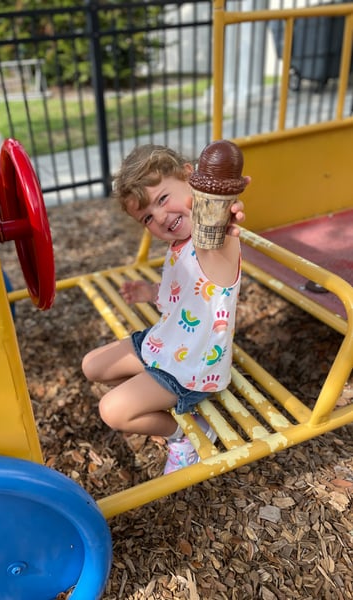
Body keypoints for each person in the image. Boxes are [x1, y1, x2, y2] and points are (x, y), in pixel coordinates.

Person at [82, 143, 248, 474]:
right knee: (93, 366)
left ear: (191, 178)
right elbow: (186, 294)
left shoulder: (212, 243)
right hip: (167, 342)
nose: (159, 217)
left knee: (112, 410)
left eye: (162, 199)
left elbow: (214, 240)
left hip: (191, 365)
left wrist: (220, 210)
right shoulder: (179, 245)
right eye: (147, 217)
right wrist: (150, 292)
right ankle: (151, 393)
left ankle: (187, 433)